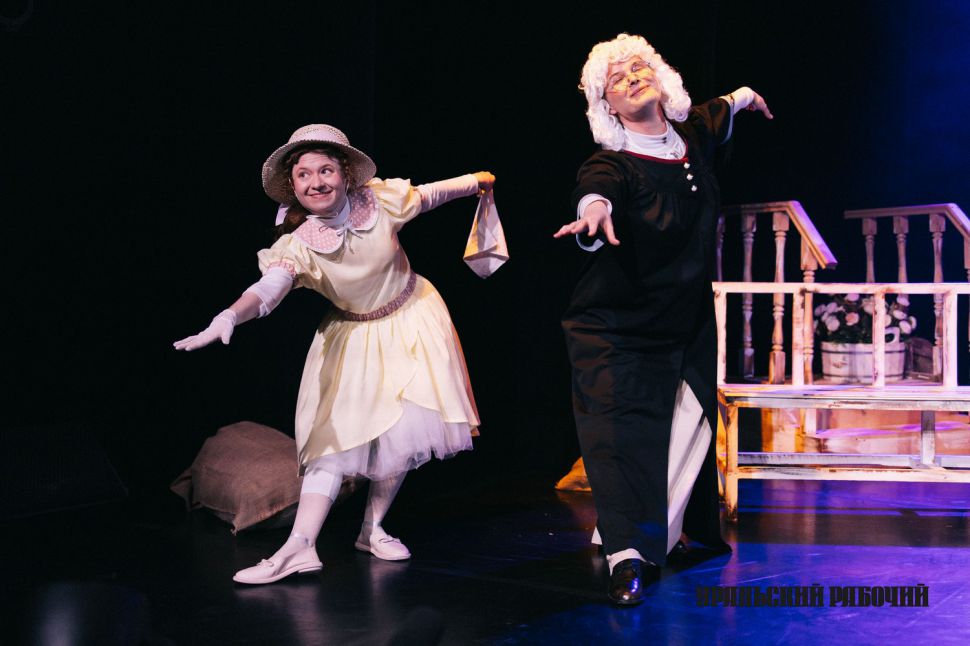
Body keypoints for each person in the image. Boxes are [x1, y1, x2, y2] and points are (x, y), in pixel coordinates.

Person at [175, 124, 494, 585]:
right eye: (303, 175)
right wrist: (228, 316)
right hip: (353, 335)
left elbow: (429, 195)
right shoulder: (298, 244)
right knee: (334, 441)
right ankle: (300, 546)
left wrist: (477, 181)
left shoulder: (379, 202)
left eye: (325, 170)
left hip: (412, 316)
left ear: (345, 174)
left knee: (403, 431)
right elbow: (269, 288)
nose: (316, 182)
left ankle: (373, 528)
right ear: (293, 187)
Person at [554, 33, 772, 606]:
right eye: (616, 78)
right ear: (607, 105)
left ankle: (652, 531)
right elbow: (595, 191)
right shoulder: (612, 162)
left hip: (683, 319)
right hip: (613, 326)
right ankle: (625, 556)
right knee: (617, 433)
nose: (631, 77)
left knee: (690, 424)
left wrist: (747, 96)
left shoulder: (690, 134)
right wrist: (593, 213)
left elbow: (721, 108)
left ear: (661, 76)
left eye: (638, 67)